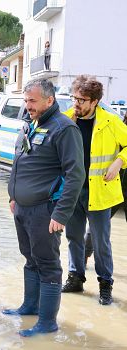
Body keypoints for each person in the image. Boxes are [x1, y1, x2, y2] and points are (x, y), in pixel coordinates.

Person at [5, 78, 85, 337]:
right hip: (22, 208)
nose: (27, 105)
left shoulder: (64, 129)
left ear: (49, 100)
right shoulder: (31, 125)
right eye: (26, 100)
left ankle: (47, 322)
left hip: (45, 211)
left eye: (33, 101)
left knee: (48, 264)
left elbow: (75, 174)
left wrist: (61, 214)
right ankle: (30, 307)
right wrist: (13, 196)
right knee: (30, 259)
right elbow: (21, 164)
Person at [62, 75, 127, 305]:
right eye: (74, 97)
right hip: (72, 191)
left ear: (95, 101)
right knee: (73, 237)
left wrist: (119, 161)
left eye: (81, 99)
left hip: (100, 191)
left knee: (101, 241)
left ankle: (105, 284)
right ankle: (76, 278)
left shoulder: (111, 122)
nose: (76, 103)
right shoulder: (66, 119)